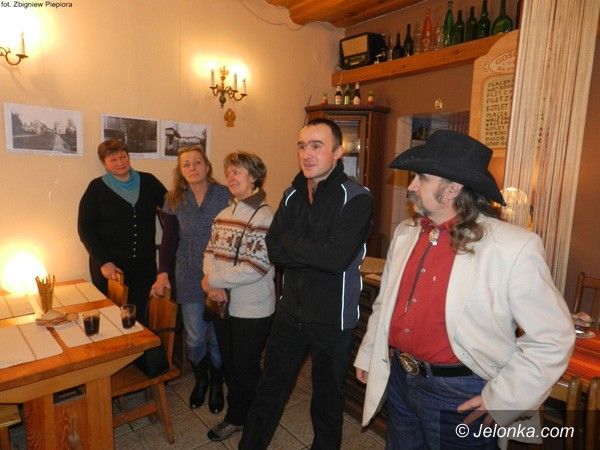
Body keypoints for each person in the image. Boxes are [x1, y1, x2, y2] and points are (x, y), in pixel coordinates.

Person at [354, 130, 575, 449]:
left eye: (422, 178)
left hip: (461, 393)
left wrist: (503, 400)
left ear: (453, 188)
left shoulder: (512, 246)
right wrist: (369, 354)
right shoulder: (406, 233)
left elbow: (553, 337)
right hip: (401, 379)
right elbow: (384, 304)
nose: (411, 186)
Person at [239, 118, 373, 450]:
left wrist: (292, 243)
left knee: (326, 401)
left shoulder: (357, 198)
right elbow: (274, 249)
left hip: (332, 319)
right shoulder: (292, 194)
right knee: (270, 390)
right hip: (291, 313)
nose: (307, 154)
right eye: (302, 146)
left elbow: (335, 258)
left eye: (316, 146)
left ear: (338, 152)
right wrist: (309, 249)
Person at [201, 152, 275, 441]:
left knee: (245, 368)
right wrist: (212, 285)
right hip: (222, 304)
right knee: (230, 365)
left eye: (237, 172)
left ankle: (262, 421)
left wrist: (214, 279)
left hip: (252, 309)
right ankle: (236, 417)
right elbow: (209, 252)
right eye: (229, 172)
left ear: (254, 177)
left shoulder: (265, 217)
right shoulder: (223, 215)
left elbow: (255, 266)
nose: (230, 178)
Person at [150, 145, 230, 413]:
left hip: (219, 275)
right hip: (187, 274)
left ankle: (217, 383)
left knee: (217, 336)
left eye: (197, 162)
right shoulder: (174, 199)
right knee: (195, 337)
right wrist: (163, 272)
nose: (193, 168)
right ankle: (201, 380)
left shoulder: (225, 194)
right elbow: (169, 240)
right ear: (180, 170)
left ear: (207, 166)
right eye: (186, 164)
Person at [78, 139, 166, 324]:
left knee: (140, 319)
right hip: (111, 269)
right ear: (104, 163)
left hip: (144, 268)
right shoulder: (96, 188)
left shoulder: (149, 181)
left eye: (123, 157)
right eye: (113, 159)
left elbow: (172, 206)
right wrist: (104, 262)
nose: (120, 162)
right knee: (110, 320)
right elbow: (85, 228)